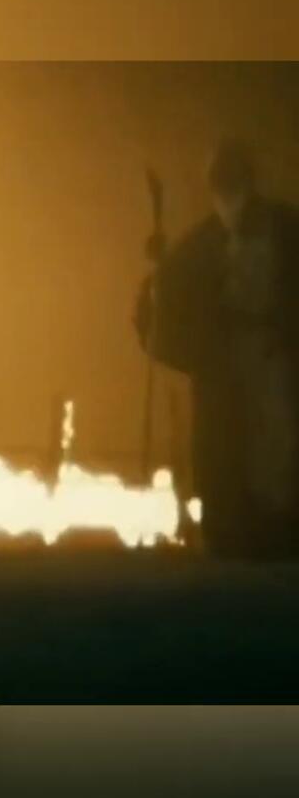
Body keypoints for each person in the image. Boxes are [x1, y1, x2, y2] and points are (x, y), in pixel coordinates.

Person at [135, 138, 299, 559]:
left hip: (274, 358)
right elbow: (172, 294)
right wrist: (160, 277)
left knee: (277, 450)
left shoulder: (283, 230)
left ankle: (278, 535)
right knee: (225, 451)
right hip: (225, 364)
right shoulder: (206, 240)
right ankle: (232, 536)